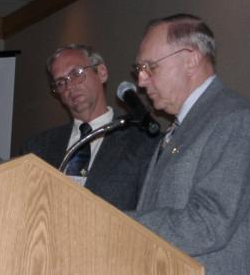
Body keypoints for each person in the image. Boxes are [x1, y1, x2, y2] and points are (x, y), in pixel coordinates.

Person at [129, 14, 250, 275]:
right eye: (139, 70)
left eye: (150, 67)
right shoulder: (180, 128)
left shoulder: (232, 118)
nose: (141, 81)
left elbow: (209, 223)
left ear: (191, 59)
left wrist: (122, 224)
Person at [20, 44, 161, 211]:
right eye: (60, 82)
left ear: (101, 73)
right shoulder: (37, 149)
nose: (69, 86)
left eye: (76, 74)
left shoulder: (143, 143)